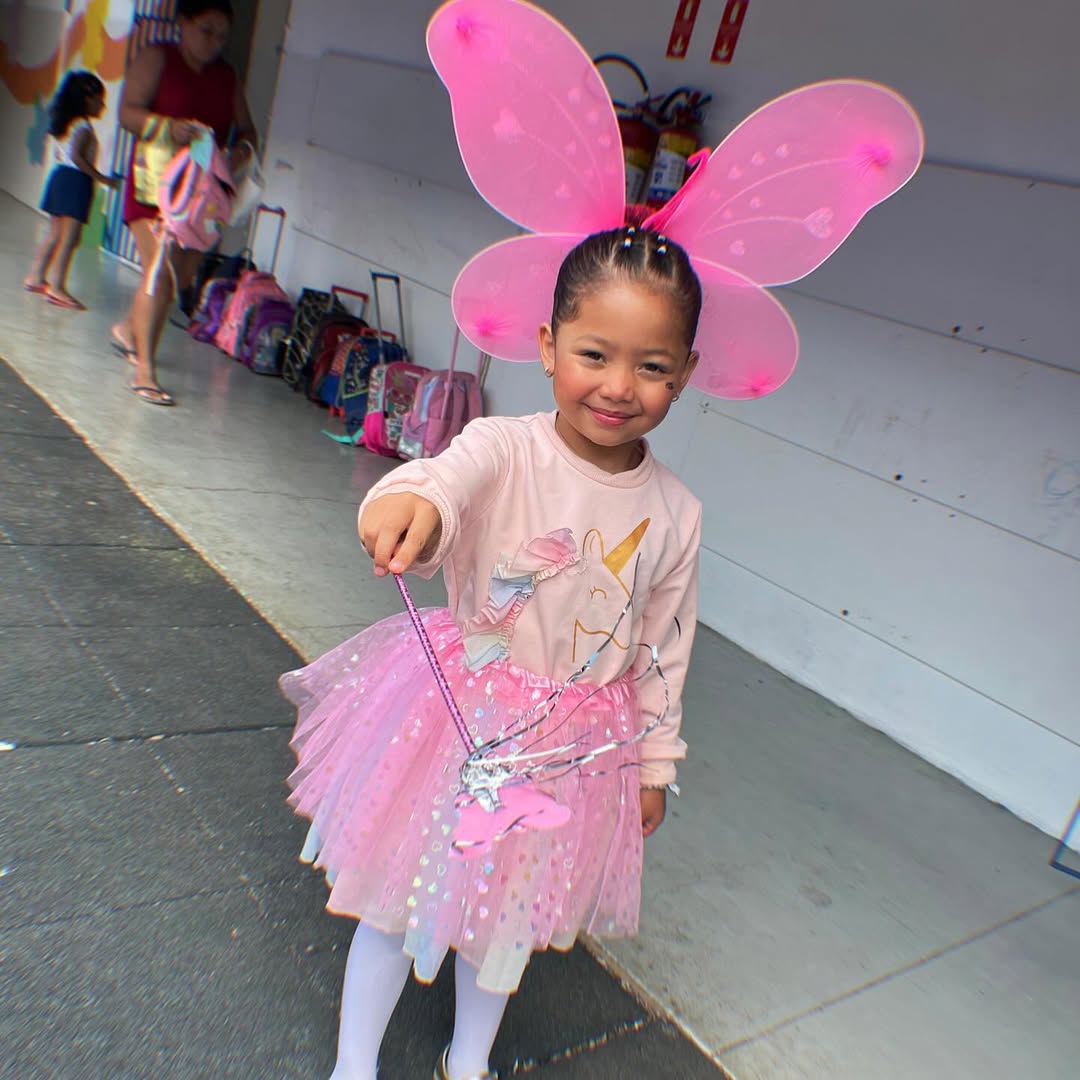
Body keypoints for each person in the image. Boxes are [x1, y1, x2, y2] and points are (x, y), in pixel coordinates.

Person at [280, 227, 704, 1080]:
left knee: (507, 918)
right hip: (460, 716)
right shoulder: (503, 447)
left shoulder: (678, 512)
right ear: (548, 347)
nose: (620, 387)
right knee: (398, 897)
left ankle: (468, 1060)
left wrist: (654, 763)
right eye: (594, 353)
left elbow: (663, 647)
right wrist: (410, 503)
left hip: (570, 752)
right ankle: (353, 1066)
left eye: (653, 366)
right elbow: (440, 479)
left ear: (685, 372)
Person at [112, 0, 256, 406]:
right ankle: (145, 369)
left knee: (177, 279)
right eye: (205, 30)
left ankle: (127, 328)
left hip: (200, 200)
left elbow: (247, 132)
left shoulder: (225, 76)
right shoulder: (157, 57)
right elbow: (127, 113)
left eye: (221, 36)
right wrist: (166, 127)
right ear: (182, 23)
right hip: (153, 187)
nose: (213, 43)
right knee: (158, 271)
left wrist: (239, 153)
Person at [23, 71, 119, 310]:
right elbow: (78, 157)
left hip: (60, 177)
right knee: (70, 238)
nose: (103, 105)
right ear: (88, 99)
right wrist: (103, 179)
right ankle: (57, 286)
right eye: (100, 99)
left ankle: (36, 276)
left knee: (55, 233)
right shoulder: (84, 127)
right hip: (75, 181)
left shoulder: (69, 123)